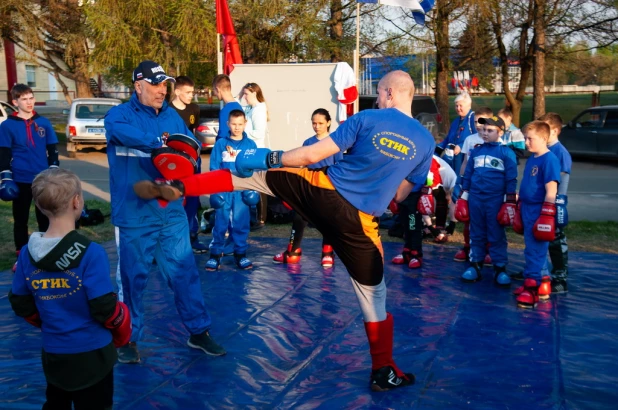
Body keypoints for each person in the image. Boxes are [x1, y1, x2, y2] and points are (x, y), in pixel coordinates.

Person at [133, 70, 434, 392]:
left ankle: (179, 186)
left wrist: (268, 156)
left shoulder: (369, 118)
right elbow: (400, 196)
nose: (376, 98)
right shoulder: (426, 141)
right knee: (374, 297)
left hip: (322, 191)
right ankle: (383, 370)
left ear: (389, 93)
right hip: (359, 223)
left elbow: (309, 155)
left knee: (250, 176)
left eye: (378, 92)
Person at [105, 60, 225, 363]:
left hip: (170, 213)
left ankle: (199, 332)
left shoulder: (172, 117)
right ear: (138, 86)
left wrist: (185, 181)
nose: (162, 90)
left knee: (184, 273)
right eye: (156, 84)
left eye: (164, 84)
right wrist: (158, 145)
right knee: (133, 280)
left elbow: (189, 153)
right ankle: (128, 340)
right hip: (133, 216)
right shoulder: (118, 116)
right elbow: (123, 133)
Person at [8, 168, 131, 410]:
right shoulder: (91, 252)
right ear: (77, 202)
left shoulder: (26, 255)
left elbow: (20, 303)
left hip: (54, 351)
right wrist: (122, 324)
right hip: (92, 352)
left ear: (40, 206)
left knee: (56, 403)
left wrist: (49, 320)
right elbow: (104, 307)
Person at [272, 108, 343, 268]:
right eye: (314, 123)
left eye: (320, 123)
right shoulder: (308, 142)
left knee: (328, 221)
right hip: (308, 187)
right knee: (299, 218)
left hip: (327, 187)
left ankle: (327, 253)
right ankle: (293, 251)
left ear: (328, 123)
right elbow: (303, 165)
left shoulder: (334, 142)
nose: (316, 126)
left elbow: (339, 166)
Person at [0, 83, 59, 272]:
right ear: (15, 102)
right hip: (20, 178)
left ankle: (43, 252)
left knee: (45, 216)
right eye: (24, 99)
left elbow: (52, 149)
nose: (29, 102)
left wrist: (54, 168)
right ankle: (22, 255)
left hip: (43, 178)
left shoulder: (44, 122)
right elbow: (4, 152)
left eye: (31, 98)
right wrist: (5, 176)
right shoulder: (8, 125)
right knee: (21, 218)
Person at [456, 116, 518, 286]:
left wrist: (509, 202)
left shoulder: (506, 153)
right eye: (483, 129)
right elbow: (468, 175)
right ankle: (475, 264)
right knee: (476, 232)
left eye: (489, 130)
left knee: (495, 233)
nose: (484, 133)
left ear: (500, 132)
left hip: (495, 200)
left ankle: (499, 267)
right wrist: (463, 197)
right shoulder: (475, 151)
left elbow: (511, 179)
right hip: (476, 199)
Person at [512, 121, 560, 308]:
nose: (526, 142)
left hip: (539, 210)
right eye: (525, 138)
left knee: (535, 249)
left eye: (530, 138)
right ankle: (543, 283)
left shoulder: (550, 160)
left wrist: (547, 214)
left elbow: (551, 190)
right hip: (527, 207)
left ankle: (532, 288)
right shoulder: (533, 158)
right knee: (531, 246)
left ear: (543, 138)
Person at [205, 109, 258, 271]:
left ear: (245, 124)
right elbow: (214, 167)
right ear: (228, 124)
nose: (237, 127)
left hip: (242, 190)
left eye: (240, 124)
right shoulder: (221, 143)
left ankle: (240, 254)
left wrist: (252, 189)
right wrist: (216, 190)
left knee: (241, 223)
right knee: (220, 222)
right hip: (224, 189)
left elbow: (255, 168)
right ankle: (215, 254)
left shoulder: (250, 145)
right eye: (234, 124)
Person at [391, 154, 456, 270]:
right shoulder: (400, 156)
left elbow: (429, 180)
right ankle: (407, 250)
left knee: (413, 225)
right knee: (405, 224)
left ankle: (416, 253)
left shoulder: (424, 157)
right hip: (402, 194)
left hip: (414, 195)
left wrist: (425, 193)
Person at [170, 75, 208, 254]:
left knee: (192, 199)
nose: (191, 95)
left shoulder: (194, 108)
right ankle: (171, 239)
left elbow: (193, 133)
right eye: (187, 92)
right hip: (173, 163)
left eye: (192, 92)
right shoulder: (166, 110)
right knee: (173, 200)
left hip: (193, 162)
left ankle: (192, 237)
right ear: (177, 92)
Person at [452, 107, 495, 264]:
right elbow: (464, 162)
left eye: (482, 121)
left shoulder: (495, 139)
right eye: (476, 121)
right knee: (468, 217)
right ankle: (467, 247)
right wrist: (461, 181)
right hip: (471, 184)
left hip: (489, 187)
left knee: (488, 219)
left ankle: (489, 249)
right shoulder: (470, 140)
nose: (478, 124)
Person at [539, 112, 571, 293]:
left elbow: (562, 181)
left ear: (555, 131)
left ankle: (560, 277)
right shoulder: (542, 150)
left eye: (546, 128)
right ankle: (539, 270)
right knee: (538, 238)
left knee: (556, 239)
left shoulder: (560, 153)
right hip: (539, 201)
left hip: (552, 203)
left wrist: (558, 205)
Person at [240, 82, 270, 230]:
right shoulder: (251, 108)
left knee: (259, 185)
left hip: (257, 151)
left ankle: (261, 219)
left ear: (254, 93)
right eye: (244, 94)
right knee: (252, 184)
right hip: (251, 150)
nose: (244, 97)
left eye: (247, 94)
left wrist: (243, 132)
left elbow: (259, 133)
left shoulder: (259, 110)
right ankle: (255, 216)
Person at [435, 92, 476, 173]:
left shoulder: (473, 118)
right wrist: (437, 148)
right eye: (456, 106)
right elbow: (448, 138)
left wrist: (461, 146)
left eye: (461, 106)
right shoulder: (456, 121)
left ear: (469, 106)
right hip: (452, 156)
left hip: (465, 158)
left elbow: (477, 137)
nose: (458, 108)